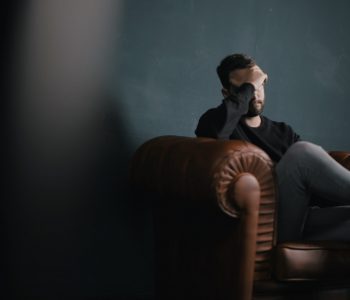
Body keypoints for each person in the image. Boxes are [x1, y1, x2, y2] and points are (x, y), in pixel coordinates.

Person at [195, 53, 350, 242]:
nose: (255, 93)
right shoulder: (215, 122)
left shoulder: (284, 131)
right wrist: (250, 84)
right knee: (301, 153)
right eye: (248, 86)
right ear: (227, 94)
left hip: (303, 221)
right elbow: (216, 137)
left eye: (260, 84)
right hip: (268, 226)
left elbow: (317, 184)